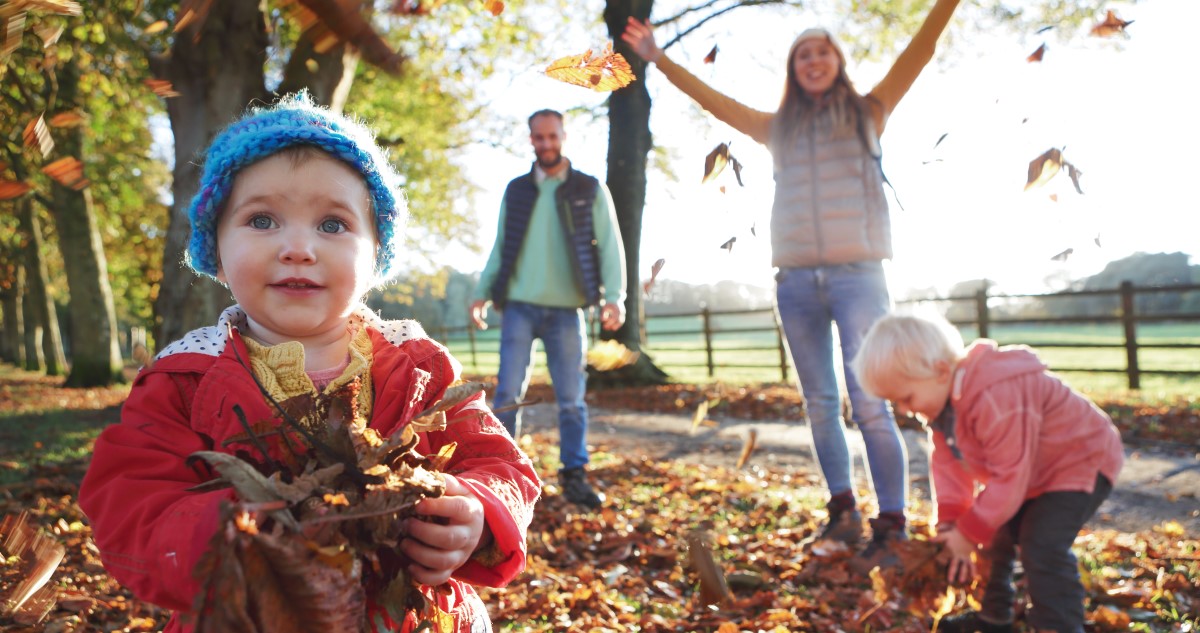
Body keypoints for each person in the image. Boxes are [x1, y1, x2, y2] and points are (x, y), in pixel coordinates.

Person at [78, 93, 542, 633]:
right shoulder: (185, 377)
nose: (298, 247)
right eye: (262, 219)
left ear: (375, 257)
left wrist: (477, 515)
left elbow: (500, 463)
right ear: (218, 254)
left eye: (332, 225)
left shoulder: (417, 367)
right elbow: (130, 500)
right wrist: (226, 537)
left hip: (409, 614)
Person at [621, 0, 960, 565]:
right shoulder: (776, 128)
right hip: (796, 282)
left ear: (838, 60)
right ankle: (842, 512)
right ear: (793, 68)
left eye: (822, 50)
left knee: (872, 402)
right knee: (821, 402)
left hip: (860, 277)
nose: (813, 59)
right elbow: (715, 102)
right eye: (803, 53)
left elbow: (919, 51)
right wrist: (658, 58)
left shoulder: (869, 112)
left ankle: (893, 525)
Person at [852, 313, 1124, 633]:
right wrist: (953, 527)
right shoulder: (943, 413)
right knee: (994, 536)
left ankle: (1059, 625)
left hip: (1079, 461)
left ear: (940, 371)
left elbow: (1010, 476)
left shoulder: (995, 393)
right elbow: (950, 470)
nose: (903, 410)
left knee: (1041, 544)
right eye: (895, 403)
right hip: (1030, 472)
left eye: (906, 398)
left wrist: (968, 534)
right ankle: (995, 617)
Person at [470, 109, 627, 509]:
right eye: (538, 138)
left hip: (566, 311)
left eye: (552, 136)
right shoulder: (517, 189)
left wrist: (615, 297)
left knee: (572, 399)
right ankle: (500, 473)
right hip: (519, 306)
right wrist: (482, 291)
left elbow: (610, 245)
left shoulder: (588, 188)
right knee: (507, 392)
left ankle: (574, 475)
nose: (546, 144)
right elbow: (501, 243)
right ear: (531, 140)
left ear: (563, 136)